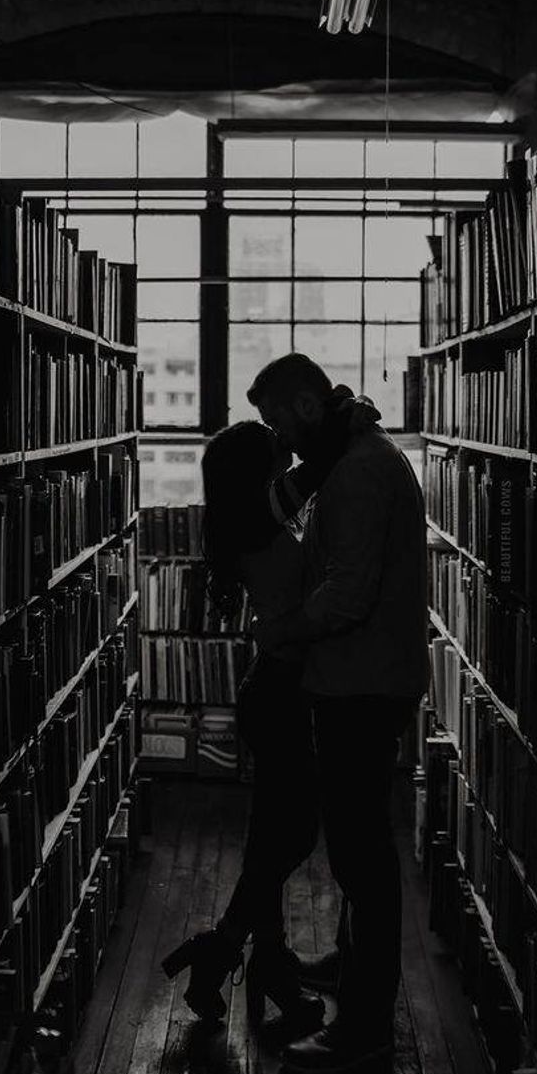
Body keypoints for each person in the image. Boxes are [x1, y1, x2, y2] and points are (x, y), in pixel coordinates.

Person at [162, 394, 376, 1032]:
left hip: (279, 691)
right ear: (252, 470)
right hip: (279, 695)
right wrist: (345, 425)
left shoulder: (250, 518)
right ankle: (228, 947)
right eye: (271, 444)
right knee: (294, 833)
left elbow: (304, 484)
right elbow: (311, 473)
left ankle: (266, 962)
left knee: (270, 838)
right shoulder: (255, 518)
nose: (284, 446)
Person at [247, 353, 429, 1074]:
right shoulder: (352, 458)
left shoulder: (355, 473)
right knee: (361, 847)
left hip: (361, 685)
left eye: (278, 422)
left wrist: (282, 629)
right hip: (367, 678)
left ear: (308, 406)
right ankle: (354, 973)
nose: (279, 440)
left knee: (362, 856)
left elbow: (348, 594)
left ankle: (362, 1031)